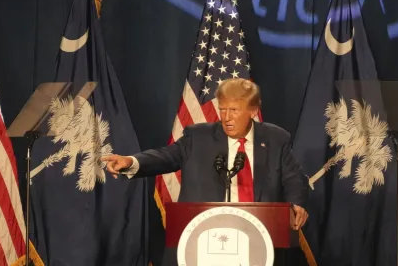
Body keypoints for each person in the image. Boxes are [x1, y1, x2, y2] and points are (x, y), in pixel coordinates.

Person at [101, 78, 309, 230]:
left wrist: (296, 205)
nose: (226, 117)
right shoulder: (198, 137)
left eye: (234, 110)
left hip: (259, 232)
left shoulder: (275, 139)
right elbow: (166, 157)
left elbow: (294, 179)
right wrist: (130, 161)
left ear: (253, 111)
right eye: (223, 109)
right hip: (206, 231)